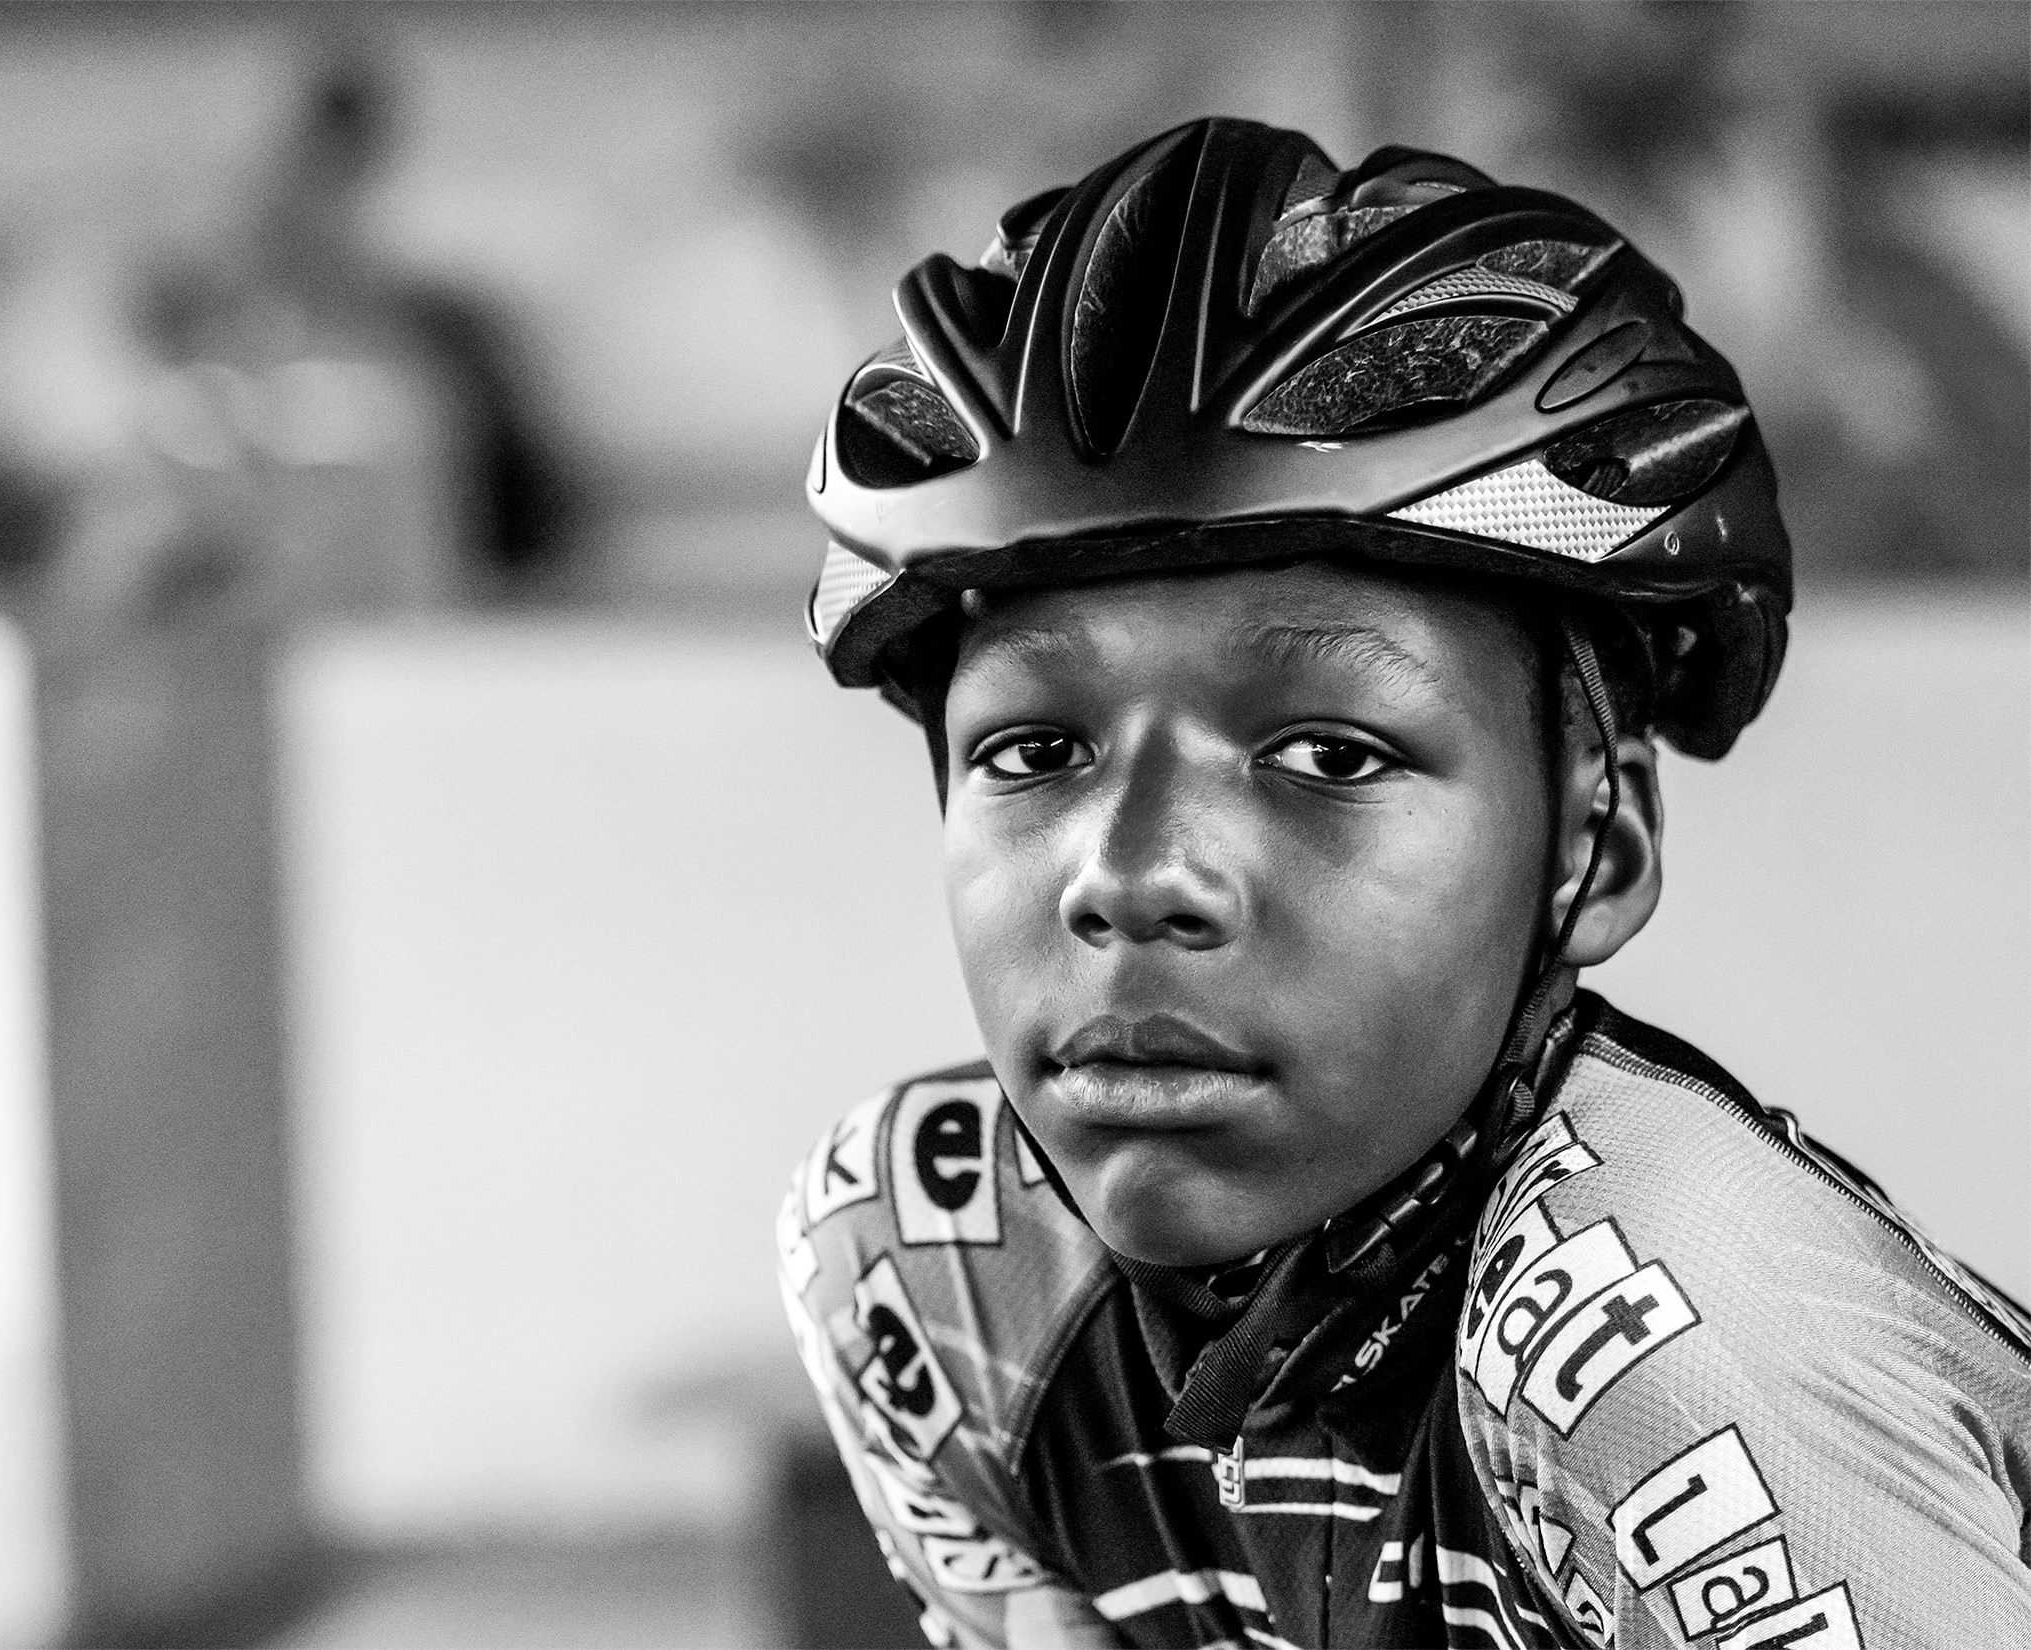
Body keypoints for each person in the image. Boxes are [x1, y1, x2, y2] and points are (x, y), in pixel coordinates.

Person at [775, 118, 2031, 1650]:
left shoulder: (1667, 1357)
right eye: (1035, 748)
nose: (1133, 874)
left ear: (1596, 849)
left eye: (1330, 754)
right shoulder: (923, 1260)